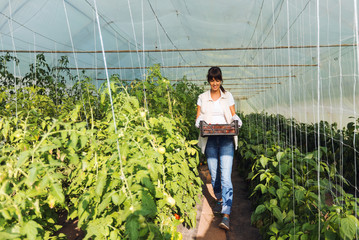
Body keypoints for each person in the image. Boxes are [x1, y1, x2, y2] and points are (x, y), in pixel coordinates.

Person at [195, 66, 242, 231]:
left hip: (226, 138)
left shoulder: (227, 96)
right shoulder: (202, 97)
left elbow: (233, 115)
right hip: (210, 140)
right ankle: (220, 200)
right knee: (214, 175)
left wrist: (237, 121)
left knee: (226, 177)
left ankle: (226, 214)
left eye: (217, 80)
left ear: (221, 80)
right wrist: (200, 124)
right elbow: (199, 117)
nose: (215, 83)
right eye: (212, 80)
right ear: (208, 80)